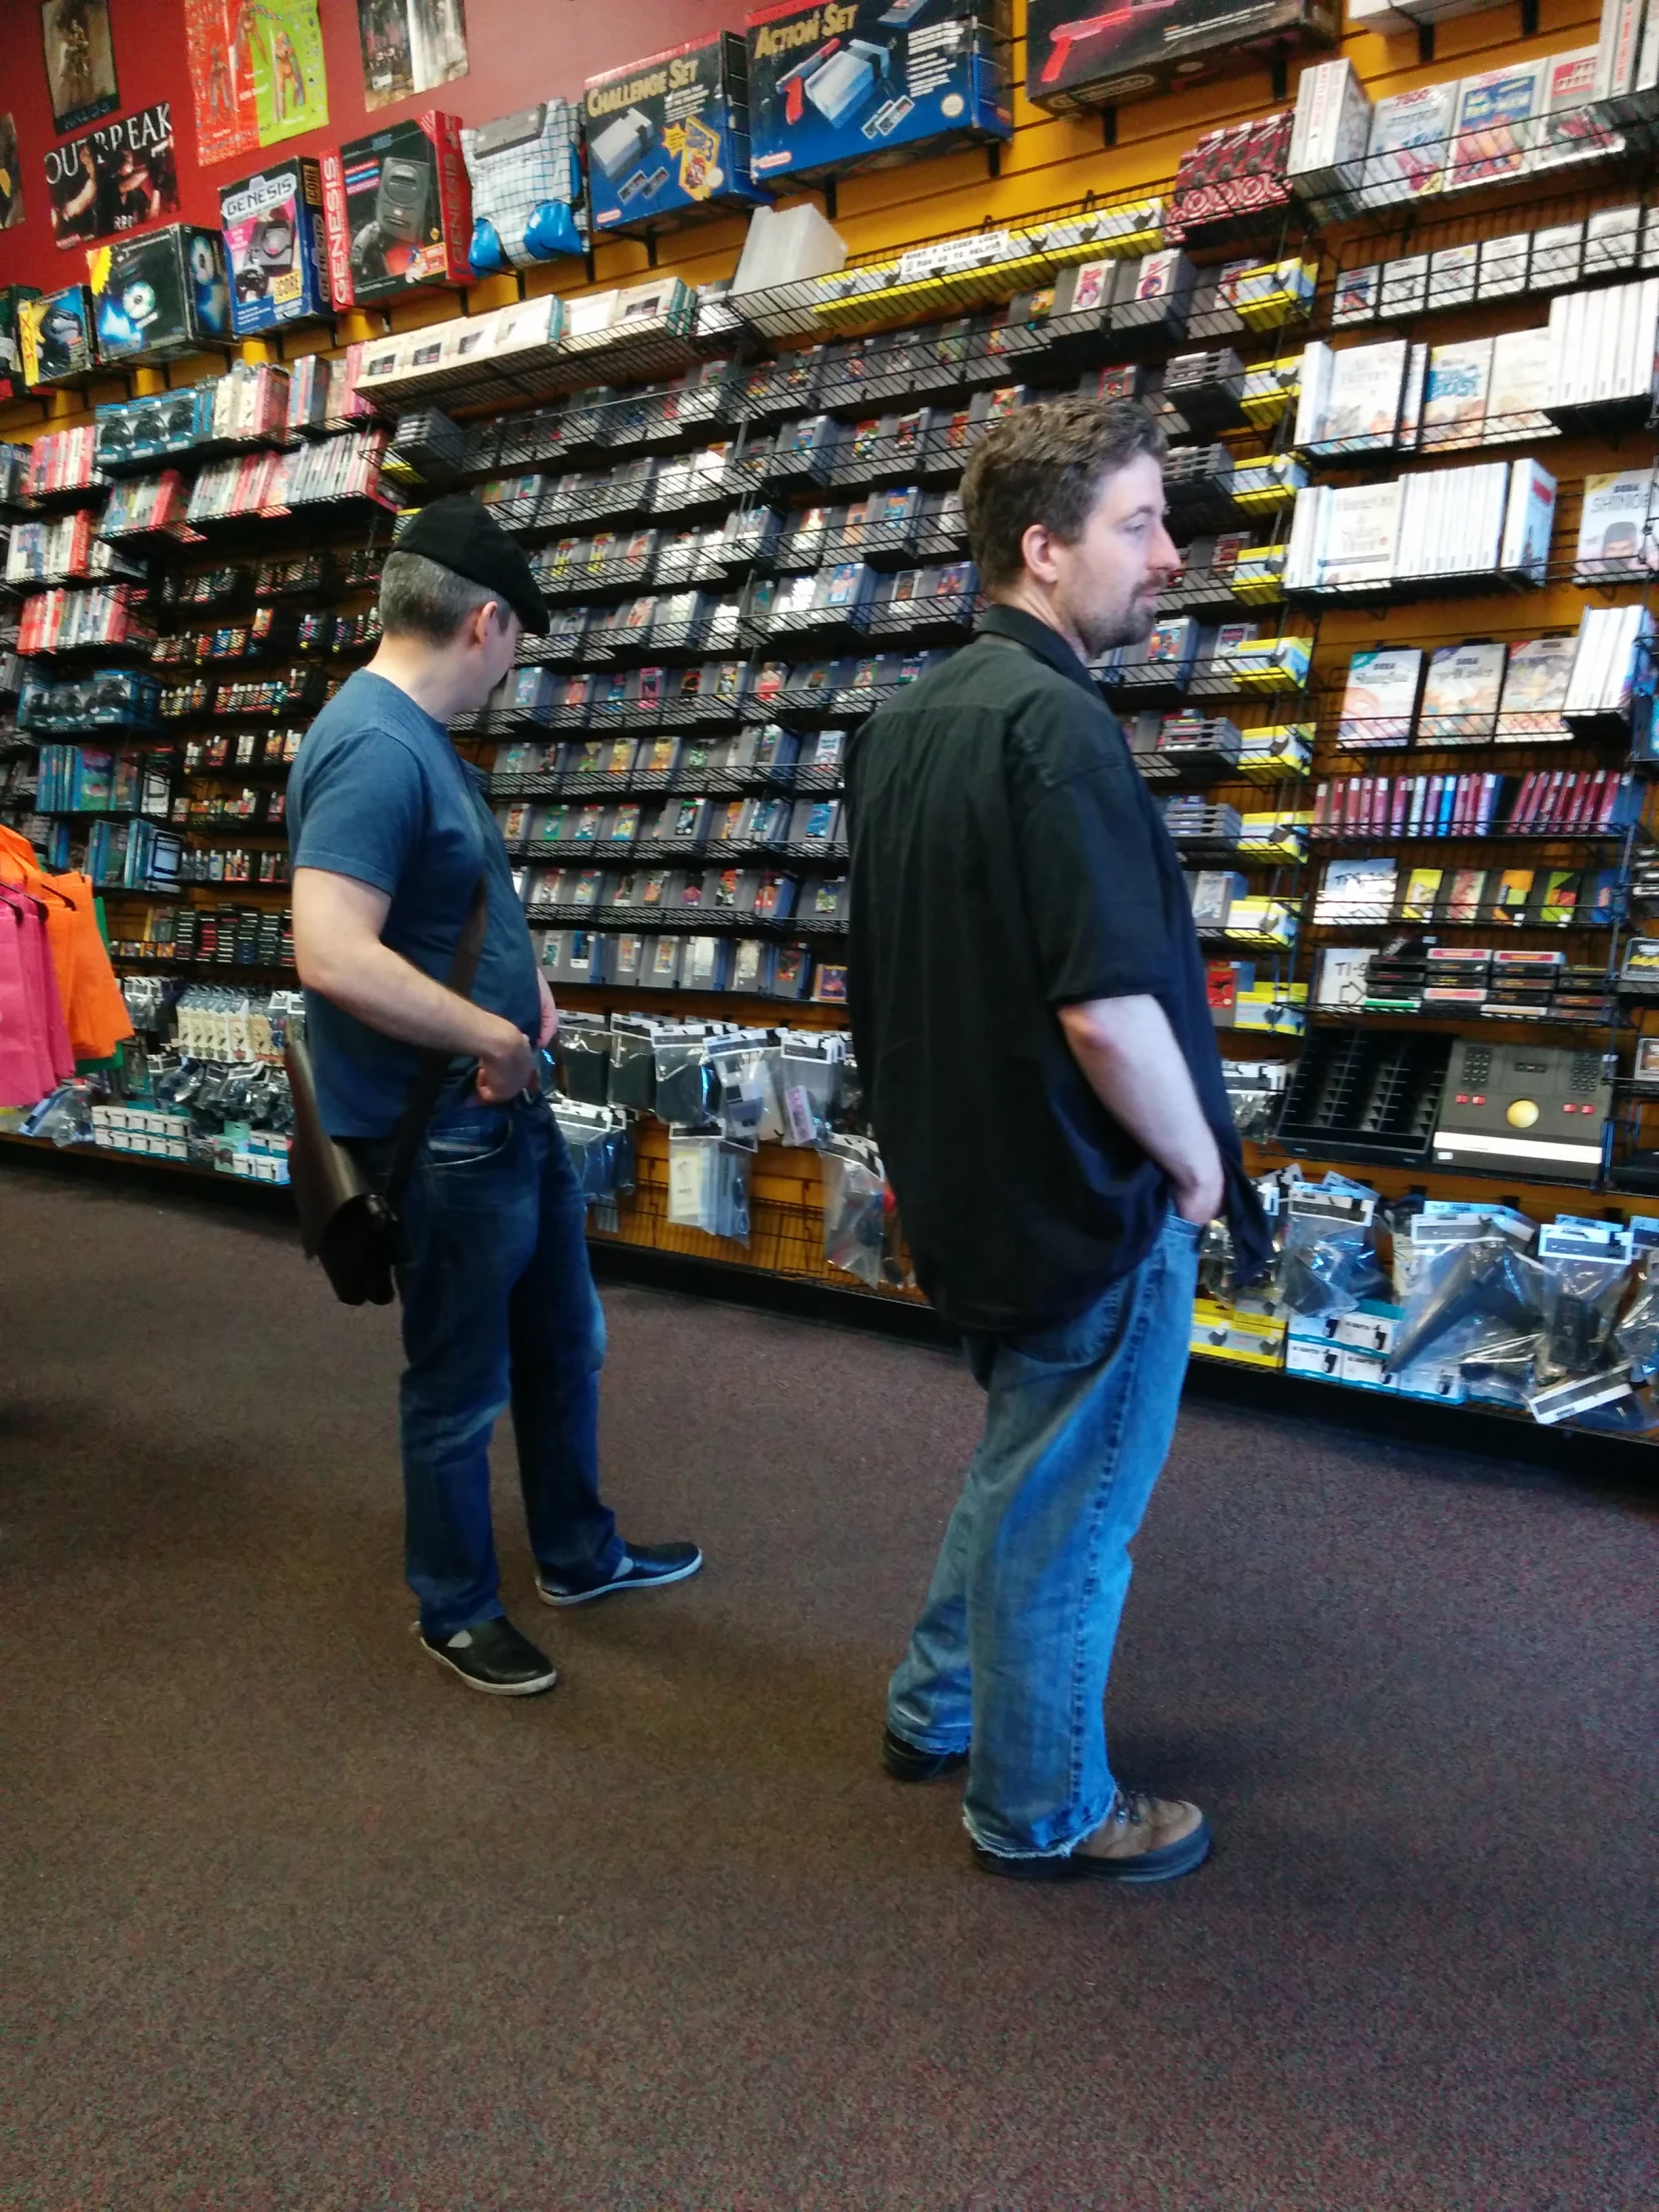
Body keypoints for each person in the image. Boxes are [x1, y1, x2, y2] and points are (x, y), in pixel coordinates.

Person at [845, 396, 1271, 1885]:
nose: (1167, 556)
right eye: (1138, 524)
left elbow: (887, 977)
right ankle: (1040, 1808)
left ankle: (935, 1706)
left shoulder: (906, 722)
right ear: (1043, 550)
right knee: (1074, 1515)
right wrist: (1198, 1166)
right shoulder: (1058, 731)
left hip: (968, 1183)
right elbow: (1104, 1007)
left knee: (1023, 1460)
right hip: (1077, 1195)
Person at [287, 497, 701, 1696]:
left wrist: (531, 993)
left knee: (565, 1345)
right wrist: (489, 1032)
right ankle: (454, 1605)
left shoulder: (411, 736)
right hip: (453, 1128)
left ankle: (576, 1551)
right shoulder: (374, 742)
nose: (513, 665)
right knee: (460, 1385)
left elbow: (435, 910)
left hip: (500, 1113)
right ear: (485, 622)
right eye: (516, 639)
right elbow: (330, 948)